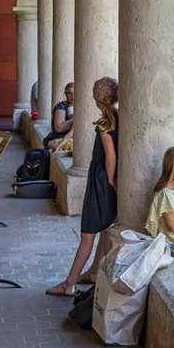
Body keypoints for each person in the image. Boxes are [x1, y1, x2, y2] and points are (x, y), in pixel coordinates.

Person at [50, 77, 118, 296]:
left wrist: (109, 179)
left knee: (87, 233)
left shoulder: (104, 124)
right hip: (105, 179)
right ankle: (92, 272)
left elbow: (110, 156)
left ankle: (68, 284)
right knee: (105, 228)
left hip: (100, 180)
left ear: (97, 100)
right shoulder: (119, 118)